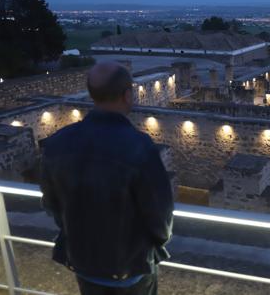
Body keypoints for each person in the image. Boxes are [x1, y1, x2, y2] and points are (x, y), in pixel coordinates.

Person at [40, 62, 174, 295]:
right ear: (127, 95)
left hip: (83, 261)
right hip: (129, 266)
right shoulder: (138, 147)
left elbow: (52, 204)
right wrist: (157, 243)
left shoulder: (56, 143)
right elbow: (159, 214)